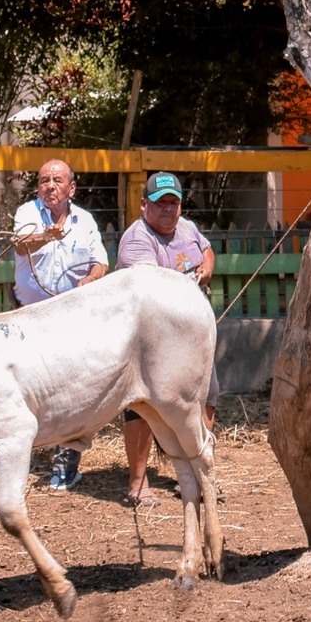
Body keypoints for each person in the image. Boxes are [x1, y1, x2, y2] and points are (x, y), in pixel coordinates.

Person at [113, 171, 218, 504]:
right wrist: (189, 285)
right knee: (142, 405)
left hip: (189, 333)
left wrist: (207, 269)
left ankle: (200, 473)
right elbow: (153, 293)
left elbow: (207, 250)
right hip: (146, 338)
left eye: (173, 203)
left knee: (207, 393)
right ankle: (138, 482)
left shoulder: (186, 228)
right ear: (144, 205)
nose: (167, 210)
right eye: (160, 204)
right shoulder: (137, 240)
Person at [11, 158, 110, 489]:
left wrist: (90, 280)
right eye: (43, 181)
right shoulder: (27, 214)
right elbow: (21, 244)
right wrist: (46, 237)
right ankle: (18, 454)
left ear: (71, 188)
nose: (49, 186)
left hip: (71, 316)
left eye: (57, 180)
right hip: (29, 315)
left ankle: (65, 463)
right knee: (25, 388)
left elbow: (101, 263)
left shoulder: (86, 221)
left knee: (69, 391)